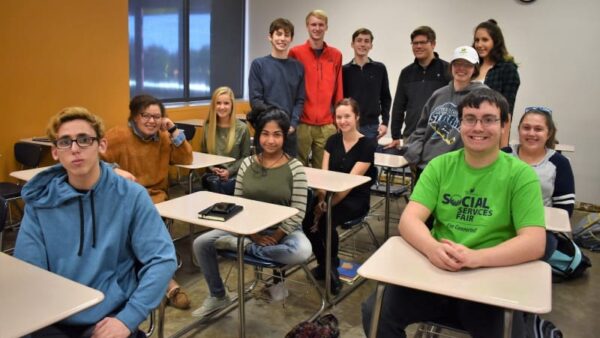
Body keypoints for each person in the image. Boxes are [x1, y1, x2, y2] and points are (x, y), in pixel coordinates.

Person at [362, 88, 546, 338]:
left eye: (489, 119)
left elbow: (534, 242)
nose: (478, 127)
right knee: (375, 311)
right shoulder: (441, 166)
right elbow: (409, 220)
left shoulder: (520, 175)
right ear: (460, 124)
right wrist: (432, 248)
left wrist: (476, 258)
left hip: (489, 278)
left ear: (504, 125)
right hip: (435, 273)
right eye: (469, 119)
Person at [14, 107, 177, 337]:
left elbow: (162, 260)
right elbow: (28, 272)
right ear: (55, 152)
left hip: (108, 318)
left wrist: (127, 318)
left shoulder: (131, 196)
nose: (74, 149)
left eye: (84, 140)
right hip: (51, 320)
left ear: (101, 145)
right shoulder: (40, 202)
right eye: (65, 142)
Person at [192, 107, 311, 318]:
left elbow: (298, 211)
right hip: (246, 229)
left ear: (284, 136)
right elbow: (238, 205)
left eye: (277, 134)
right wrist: (252, 236)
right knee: (200, 243)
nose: (270, 140)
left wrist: (275, 236)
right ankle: (218, 295)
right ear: (258, 135)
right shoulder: (247, 164)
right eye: (265, 134)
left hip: (283, 231)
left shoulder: (296, 168)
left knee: (301, 251)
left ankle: (244, 248)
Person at [102, 94, 193, 310]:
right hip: (124, 198)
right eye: (146, 116)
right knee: (134, 230)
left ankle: (156, 283)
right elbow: (95, 161)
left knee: (147, 230)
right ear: (134, 116)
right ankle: (166, 284)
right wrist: (115, 169)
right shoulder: (117, 136)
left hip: (156, 198)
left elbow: (186, 159)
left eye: (157, 116)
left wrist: (172, 130)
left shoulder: (163, 137)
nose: (152, 121)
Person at [303, 98, 376, 295]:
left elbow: (349, 184)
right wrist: (320, 200)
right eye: (339, 117)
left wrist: (327, 206)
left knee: (326, 221)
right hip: (329, 196)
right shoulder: (332, 141)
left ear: (356, 117)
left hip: (354, 198)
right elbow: (324, 176)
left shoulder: (367, 145)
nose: (342, 121)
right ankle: (325, 264)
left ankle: (331, 269)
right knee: (307, 221)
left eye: (347, 116)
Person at [403, 46, 487, 186]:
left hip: (458, 171)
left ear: (475, 68)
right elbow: (421, 129)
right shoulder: (438, 95)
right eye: (457, 64)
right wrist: (415, 153)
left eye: (467, 64)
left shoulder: (483, 96)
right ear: (451, 66)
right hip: (427, 167)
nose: (461, 68)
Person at [504, 106, 575, 259]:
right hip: (499, 222)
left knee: (544, 245)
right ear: (519, 129)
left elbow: (565, 210)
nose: (531, 133)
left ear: (548, 133)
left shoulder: (559, 163)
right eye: (526, 128)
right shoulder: (503, 155)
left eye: (538, 129)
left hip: (538, 228)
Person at [289, 9, 343, 168]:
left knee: (324, 171)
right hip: (302, 123)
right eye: (313, 24)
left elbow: (338, 88)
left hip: (327, 125)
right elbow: (291, 88)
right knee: (298, 168)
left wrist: (337, 120)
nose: (317, 28)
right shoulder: (296, 53)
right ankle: (302, 194)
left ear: (326, 27)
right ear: (307, 26)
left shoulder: (336, 55)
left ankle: (320, 194)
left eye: (321, 25)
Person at [385, 26, 451, 150]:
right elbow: (398, 106)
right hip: (412, 136)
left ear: (433, 44)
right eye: (415, 43)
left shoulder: (447, 70)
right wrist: (395, 136)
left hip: (439, 136)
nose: (418, 46)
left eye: (422, 42)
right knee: (415, 170)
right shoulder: (406, 73)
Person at [249, 18, 305, 157]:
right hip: (266, 132)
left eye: (286, 35)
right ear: (270, 37)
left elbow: (300, 100)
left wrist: (291, 125)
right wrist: (274, 125)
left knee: (290, 174)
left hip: (289, 132)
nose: (282, 38)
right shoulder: (259, 65)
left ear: (291, 38)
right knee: (264, 174)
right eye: (278, 34)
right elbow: (256, 101)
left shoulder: (298, 67)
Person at [473, 19, 520, 147]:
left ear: (496, 42)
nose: (479, 44)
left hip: (491, 132)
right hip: (468, 130)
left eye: (485, 40)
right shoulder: (472, 67)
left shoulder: (507, 69)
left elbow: (507, 112)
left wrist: (503, 148)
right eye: (477, 40)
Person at [342, 28, 391, 140]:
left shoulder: (380, 69)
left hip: (371, 127)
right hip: (349, 125)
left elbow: (385, 98)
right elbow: (340, 99)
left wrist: (385, 122)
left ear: (371, 45)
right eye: (359, 40)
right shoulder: (344, 71)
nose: (362, 44)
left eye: (366, 41)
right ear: (352, 44)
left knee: (368, 158)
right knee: (349, 157)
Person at [201, 86, 251, 195]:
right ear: (213, 105)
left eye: (226, 103)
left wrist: (229, 171)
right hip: (212, 175)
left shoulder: (242, 128)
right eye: (218, 103)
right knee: (214, 184)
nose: (222, 107)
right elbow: (204, 154)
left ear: (232, 105)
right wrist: (212, 168)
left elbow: (246, 157)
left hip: (234, 175)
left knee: (221, 187)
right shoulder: (207, 127)